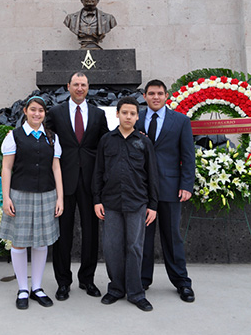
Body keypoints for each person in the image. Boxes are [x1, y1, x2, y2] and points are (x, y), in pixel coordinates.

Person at [46, 71, 109, 300]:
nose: (80, 88)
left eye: (83, 85)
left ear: (88, 87)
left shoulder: (98, 114)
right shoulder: (55, 113)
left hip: (91, 182)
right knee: (63, 233)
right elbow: (44, 140)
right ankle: (63, 282)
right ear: (68, 86)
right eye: (76, 84)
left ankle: (87, 279)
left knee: (91, 233)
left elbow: (106, 144)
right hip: (63, 182)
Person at [92, 97, 159, 311]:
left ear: (137, 117)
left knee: (134, 247)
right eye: (124, 113)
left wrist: (153, 205)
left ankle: (136, 292)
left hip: (137, 203)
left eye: (132, 113)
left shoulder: (144, 142)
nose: (128, 117)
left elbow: (152, 175)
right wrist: (97, 200)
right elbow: (98, 172)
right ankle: (116, 289)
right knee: (112, 248)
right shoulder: (106, 140)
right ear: (117, 114)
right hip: (110, 203)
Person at [0, 96, 64, 310]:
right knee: (19, 242)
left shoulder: (52, 137)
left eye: (41, 111)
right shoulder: (13, 136)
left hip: (47, 194)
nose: (37, 114)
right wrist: (6, 197)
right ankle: (23, 288)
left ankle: (37, 287)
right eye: (33, 110)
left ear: (45, 114)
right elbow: (6, 168)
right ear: (25, 111)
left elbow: (56, 168)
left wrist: (60, 197)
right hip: (20, 194)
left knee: (40, 242)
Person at [137, 79, 196, 303]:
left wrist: (186, 185)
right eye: (151, 93)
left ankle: (182, 282)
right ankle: (142, 281)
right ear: (145, 96)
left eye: (160, 93)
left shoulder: (180, 121)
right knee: (143, 238)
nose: (156, 97)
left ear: (166, 95)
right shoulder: (137, 118)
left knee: (173, 237)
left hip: (171, 188)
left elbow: (188, 156)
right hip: (142, 189)